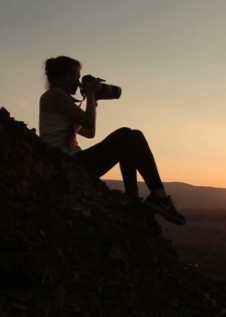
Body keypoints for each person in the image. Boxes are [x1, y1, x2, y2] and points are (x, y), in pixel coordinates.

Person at [38, 55, 186, 226]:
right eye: (77, 75)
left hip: (72, 162)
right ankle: (160, 198)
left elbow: (89, 132)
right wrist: (92, 94)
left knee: (131, 137)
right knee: (127, 135)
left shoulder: (61, 98)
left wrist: (93, 100)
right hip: (64, 163)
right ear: (64, 75)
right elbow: (88, 121)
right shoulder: (54, 94)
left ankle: (135, 198)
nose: (79, 81)